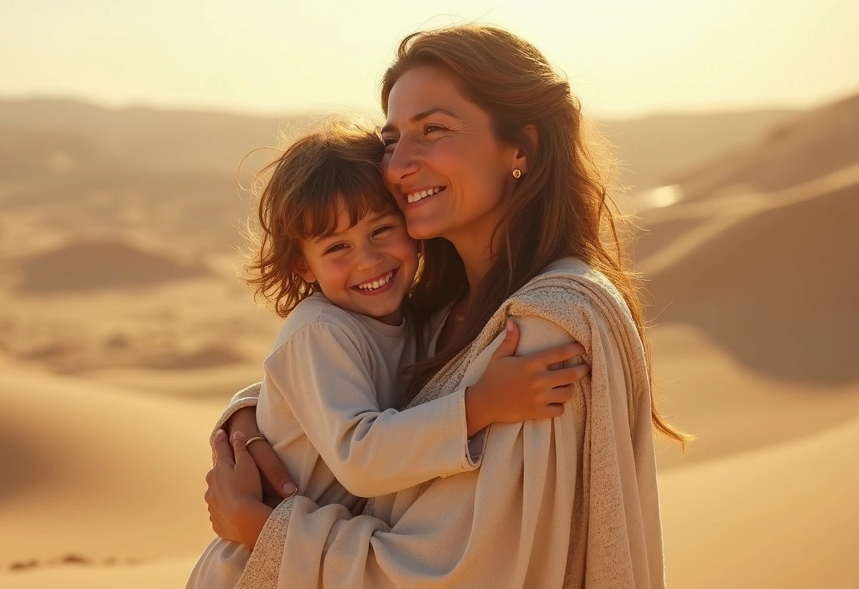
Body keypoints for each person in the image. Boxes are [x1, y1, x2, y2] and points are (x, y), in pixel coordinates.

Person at [204, 24, 689, 588]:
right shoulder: (437, 313)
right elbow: (339, 382)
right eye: (390, 141)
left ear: (520, 148)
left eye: (433, 129)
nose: (399, 165)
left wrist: (264, 529)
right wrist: (246, 421)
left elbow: (466, 568)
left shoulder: (547, 327)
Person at [187, 121, 589, 588]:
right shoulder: (318, 331)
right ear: (303, 265)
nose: (368, 259)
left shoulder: (412, 323)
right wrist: (482, 404)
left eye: (382, 230)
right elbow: (363, 458)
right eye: (337, 246)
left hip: (312, 560)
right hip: (255, 570)